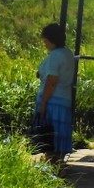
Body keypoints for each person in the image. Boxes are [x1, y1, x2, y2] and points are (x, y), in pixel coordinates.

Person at [35, 23, 75, 167]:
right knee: (59, 137)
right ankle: (58, 165)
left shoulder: (54, 56)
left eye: (45, 41)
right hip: (64, 100)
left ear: (51, 40)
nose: (45, 44)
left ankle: (51, 165)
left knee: (49, 137)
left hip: (52, 101)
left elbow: (52, 81)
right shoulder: (68, 54)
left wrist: (43, 103)